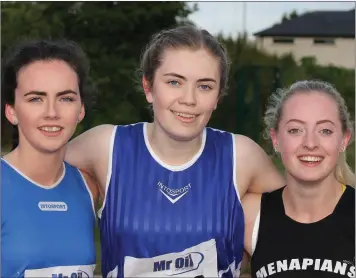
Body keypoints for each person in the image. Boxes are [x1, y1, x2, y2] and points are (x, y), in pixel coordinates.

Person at [65, 25, 285, 278]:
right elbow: (25, 176)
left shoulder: (241, 156)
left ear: (217, 97)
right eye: (174, 82)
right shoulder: (106, 146)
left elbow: (308, 224)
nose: (188, 99)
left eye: (204, 86)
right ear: (149, 87)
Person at [1, 39, 98, 278]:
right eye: (36, 98)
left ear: (81, 110)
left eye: (65, 98)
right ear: (12, 111)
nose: (52, 113)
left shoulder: (89, 187)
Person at [242, 80, 355, 278]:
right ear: (276, 139)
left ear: (344, 140)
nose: (310, 143)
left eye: (325, 131)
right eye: (295, 130)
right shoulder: (250, 217)